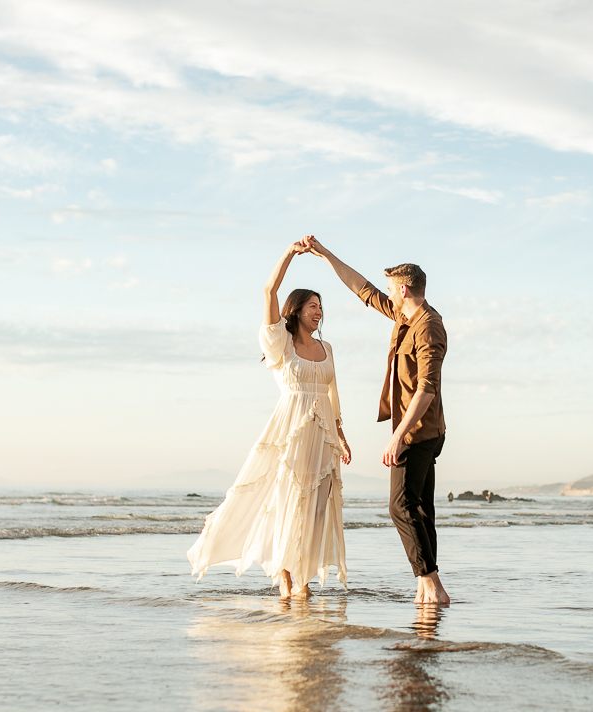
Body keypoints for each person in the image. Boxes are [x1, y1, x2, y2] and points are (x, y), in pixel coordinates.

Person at [187, 242, 352, 599]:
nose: (319, 312)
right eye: (312, 306)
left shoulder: (328, 349)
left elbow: (333, 394)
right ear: (296, 310)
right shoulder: (282, 344)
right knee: (291, 502)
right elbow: (269, 290)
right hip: (291, 430)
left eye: (321, 307)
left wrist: (341, 434)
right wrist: (291, 254)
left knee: (318, 508)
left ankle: (304, 579)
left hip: (322, 434)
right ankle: (288, 580)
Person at [301, 236, 451, 605]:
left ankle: (431, 583)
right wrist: (324, 254)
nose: (385, 293)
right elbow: (362, 289)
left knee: (400, 506)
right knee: (419, 508)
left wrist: (398, 436)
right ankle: (427, 585)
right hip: (419, 429)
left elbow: (427, 388)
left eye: (390, 289)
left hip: (419, 431)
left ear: (402, 289)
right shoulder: (406, 315)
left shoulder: (428, 326)